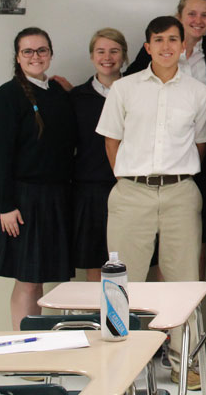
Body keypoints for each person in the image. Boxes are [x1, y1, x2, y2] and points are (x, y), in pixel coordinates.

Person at [97, 16, 206, 390]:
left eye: (173, 40)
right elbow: (111, 141)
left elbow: (200, 144)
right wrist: (131, 179)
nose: (166, 47)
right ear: (147, 47)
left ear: (184, 47)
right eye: (158, 40)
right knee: (123, 282)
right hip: (131, 192)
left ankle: (186, 363)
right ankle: (122, 359)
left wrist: (168, 176)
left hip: (180, 192)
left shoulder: (198, 92)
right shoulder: (125, 89)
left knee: (183, 283)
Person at [0, 27, 76, 330]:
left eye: (42, 50)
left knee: (40, 278)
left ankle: (37, 345)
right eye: (28, 51)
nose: (36, 56)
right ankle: (24, 349)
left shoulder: (57, 91)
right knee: (28, 280)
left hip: (55, 196)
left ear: (50, 54)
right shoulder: (7, 97)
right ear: (18, 57)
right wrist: (6, 205)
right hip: (22, 200)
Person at [127, 0, 206, 247]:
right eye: (191, 14)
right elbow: (127, 85)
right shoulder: (157, 51)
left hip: (200, 155)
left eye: (205, 15)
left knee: (196, 237)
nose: (198, 20)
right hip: (158, 158)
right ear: (178, 17)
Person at [70, 28, 128, 282]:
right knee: (95, 262)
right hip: (90, 191)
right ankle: (100, 319)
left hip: (129, 189)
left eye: (114, 51)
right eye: (100, 51)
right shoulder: (75, 98)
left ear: (124, 56)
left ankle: (129, 320)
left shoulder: (136, 91)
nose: (107, 57)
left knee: (131, 260)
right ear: (92, 56)